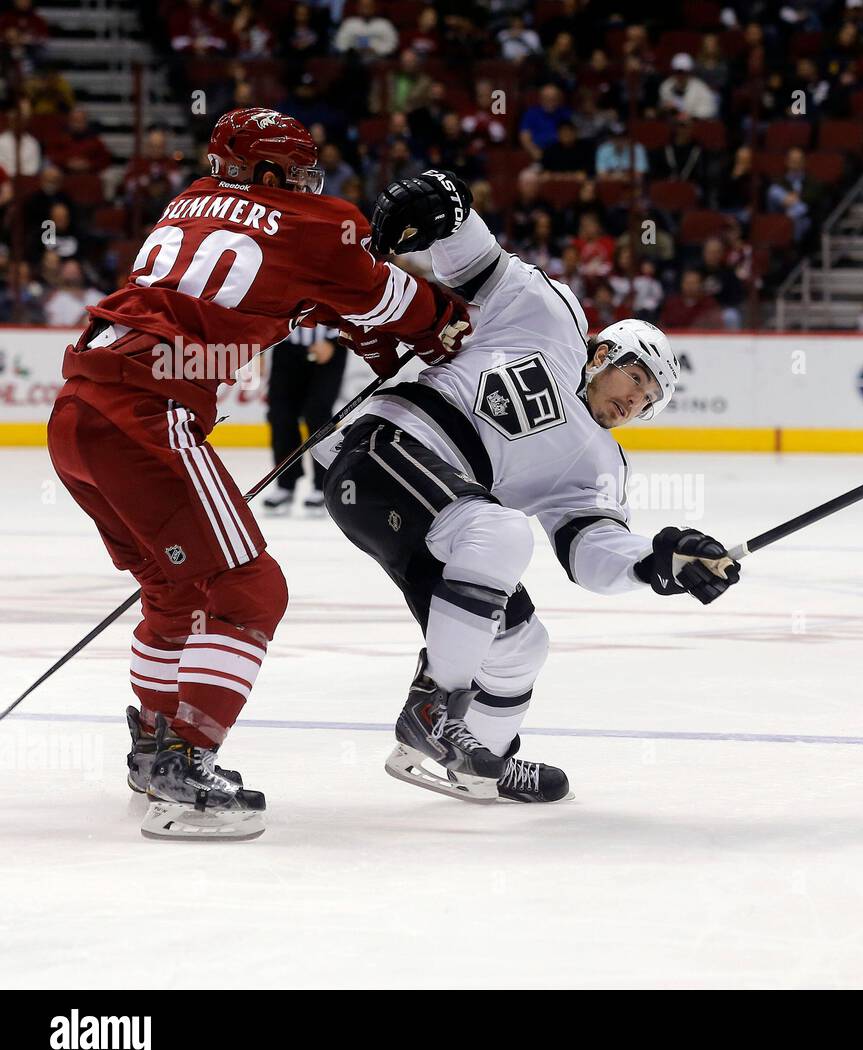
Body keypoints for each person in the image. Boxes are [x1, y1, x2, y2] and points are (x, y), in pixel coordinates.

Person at [45, 109, 470, 840]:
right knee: (249, 589)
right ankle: (187, 760)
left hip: (77, 410)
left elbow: (287, 288)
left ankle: (154, 749)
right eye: (298, 170)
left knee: (174, 590)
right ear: (272, 174)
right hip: (148, 411)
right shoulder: (316, 221)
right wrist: (443, 320)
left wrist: (350, 317)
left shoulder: (187, 201)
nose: (308, 181)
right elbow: (388, 299)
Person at [314, 169, 742, 804]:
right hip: (382, 455)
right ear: (604, 354)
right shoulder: (552, 318)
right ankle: (434, 709)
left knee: (522, 645)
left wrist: (662, 560)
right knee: (501, 529)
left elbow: (593, 555)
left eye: (650, 401)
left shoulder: (597, 466)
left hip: (437, 522)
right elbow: (474, 259)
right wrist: (449, 203)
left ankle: (478, 762)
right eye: (637, 380)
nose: (636, 402)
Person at [262, 323, 348, 515]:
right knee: (280, 414)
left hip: (331, 346)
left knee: (318, 414)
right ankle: (285, 484)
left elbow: (350, 303)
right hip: (287, 347)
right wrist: (258, 351)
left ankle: (324, 485)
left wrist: (333, 340)